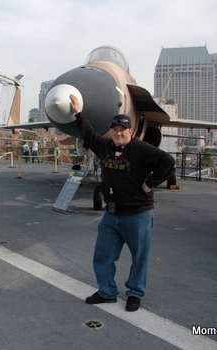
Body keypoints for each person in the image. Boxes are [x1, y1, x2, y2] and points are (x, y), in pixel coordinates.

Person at [69, 94, 175, 312]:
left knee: (139, 257)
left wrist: (150, 183)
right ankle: (107, 292)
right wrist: (78, 112)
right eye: (115, 130)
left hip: (138, 214)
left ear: (130, 131)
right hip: (111, 214)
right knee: (103, 255)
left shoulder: (141, 149)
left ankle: (135, 293)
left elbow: (168, 161)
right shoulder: (105, 146)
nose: (118, 133)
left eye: (122, 130)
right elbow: (88, 133)